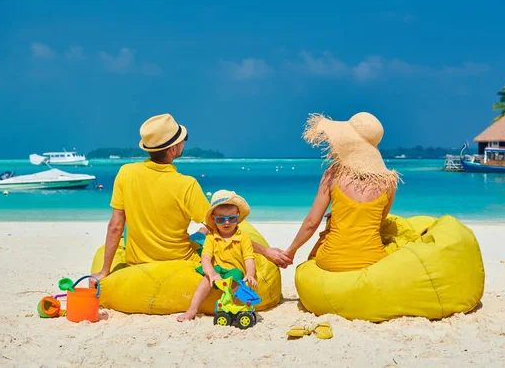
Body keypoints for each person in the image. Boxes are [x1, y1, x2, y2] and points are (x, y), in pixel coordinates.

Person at [90, 114, 291, 288]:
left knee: (201, 232)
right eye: (183, 139)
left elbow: (116, 227)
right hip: (179, 259)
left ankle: (199, 233)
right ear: (172, 149)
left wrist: (104, 271)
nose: (184, 142)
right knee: (211, 235)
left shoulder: (126, 173)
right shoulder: (186, 185)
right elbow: (220, 227)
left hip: (138, 261)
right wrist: (265, 251)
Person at [284, 112, 400, 272]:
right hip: (372, 261)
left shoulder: (333, 174)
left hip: (331, 260)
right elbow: (376, 223)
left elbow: (311, 223)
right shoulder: (390, 182)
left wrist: (290, 251)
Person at [177, 190, 257, 322]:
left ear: (238, 216)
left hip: (234, 271)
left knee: (237, 280)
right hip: (218, 269)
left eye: (232, 218)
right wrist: (212, 273)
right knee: (205, 281)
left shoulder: (243, 239)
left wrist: (250, 274)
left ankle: (233, 308)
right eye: (221, 219)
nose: (227, 223)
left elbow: (249, 259)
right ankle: (192, 310)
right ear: (214, 219)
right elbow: (206, 258)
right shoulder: (211, 238)